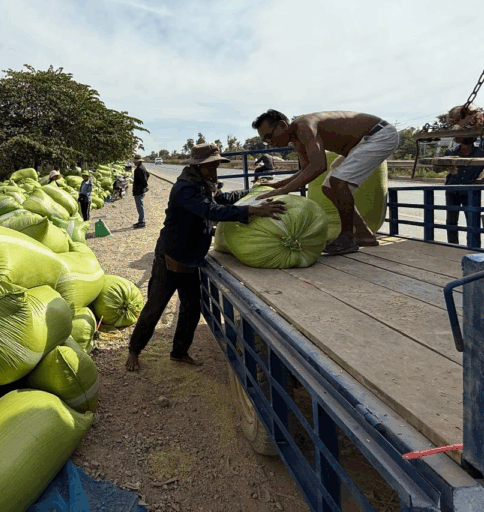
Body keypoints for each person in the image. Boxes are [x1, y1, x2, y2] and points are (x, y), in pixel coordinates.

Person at [125, 144, 286, 372]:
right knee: (155, 307)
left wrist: (252, 193)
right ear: (198, 166)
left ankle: (179, 352)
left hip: (192, 258)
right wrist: (252, 210)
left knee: (191, 309)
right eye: (210, 166)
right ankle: (134, 350)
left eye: (216, 166)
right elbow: (211, 210)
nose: (214, 170)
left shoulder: (204, 183)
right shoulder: (185, 188)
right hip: (171, 257)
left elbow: (223, 198)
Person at [252, 110, 399, 256]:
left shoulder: (304, 126)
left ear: (282, 125)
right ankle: (364, 234)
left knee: (338, 182)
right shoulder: (296, 140)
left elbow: (319, 165)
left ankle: (347, 238)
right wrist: (277, 185)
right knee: (328, 188)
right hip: (360, 145)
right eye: (265, 141)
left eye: (269, 137)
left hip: (378, 135)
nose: (270, 143)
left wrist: (283, 190)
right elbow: (306, 169)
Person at [441, 137, 484, 244]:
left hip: (471, 191)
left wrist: (481, 181)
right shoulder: (451, 152)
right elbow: (437, 168)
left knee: (472, 221)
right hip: (452, 189)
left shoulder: (480, 152)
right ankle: (453, 245)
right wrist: (446, 164)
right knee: (451, 221)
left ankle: (473, 247)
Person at [132, 155, 149, 228]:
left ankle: (142, 222)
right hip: (139, 190)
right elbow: (148, 175)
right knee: (139, 206)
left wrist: (143, 187)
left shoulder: (139, 169)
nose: (134, 163)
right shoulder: (142, 167)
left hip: (138, 190)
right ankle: (140, 220)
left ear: (139, 162)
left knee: (140, 206)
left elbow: (144, 181)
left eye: (135, 162)